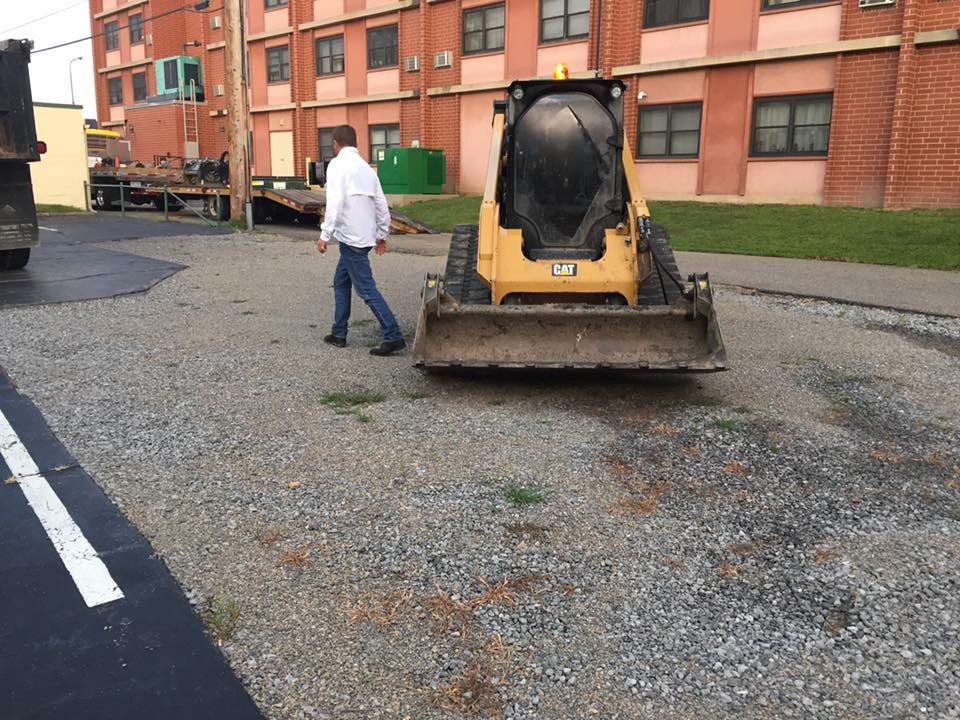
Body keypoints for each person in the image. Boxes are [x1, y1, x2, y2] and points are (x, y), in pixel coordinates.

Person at [316, 125, 406, 356]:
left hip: (351, 239)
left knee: (366, 290)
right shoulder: (367, 169)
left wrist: (325, 234)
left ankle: (393, 335)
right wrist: (381, 235)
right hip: (364, 237)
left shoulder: (337, 166)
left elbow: (334, 202)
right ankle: (338, 333)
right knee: (341, 281)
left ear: (336, 143)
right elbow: (381, 205)